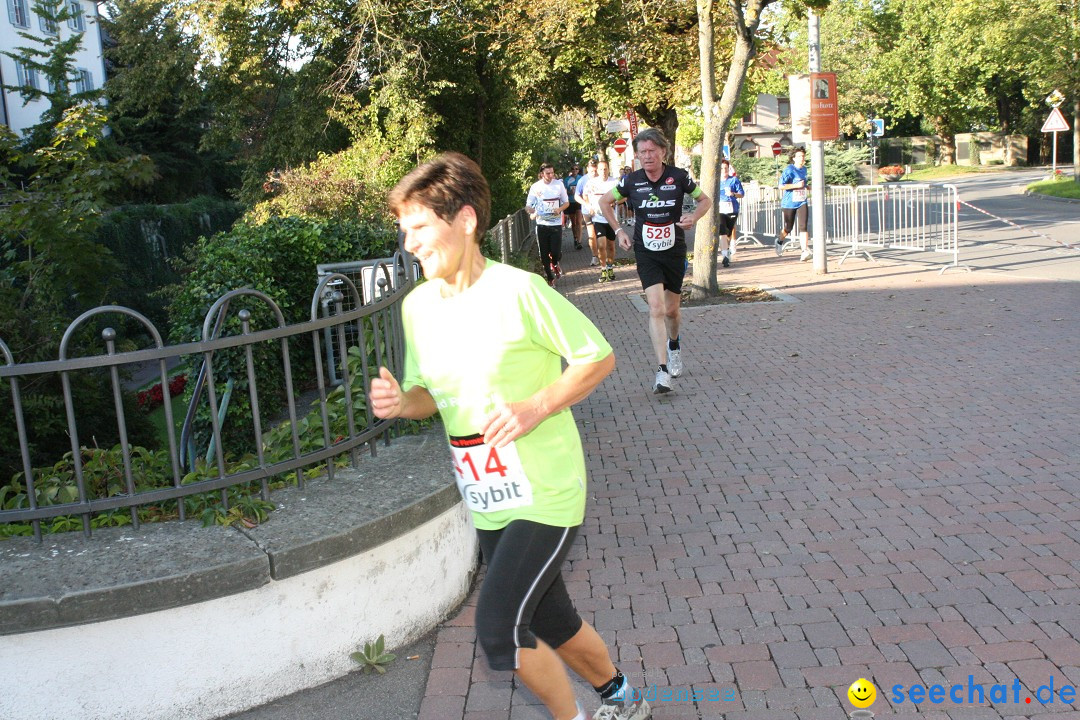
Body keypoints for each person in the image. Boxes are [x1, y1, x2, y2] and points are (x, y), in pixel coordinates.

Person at [372, 152, 651, 720]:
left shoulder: (518, 291)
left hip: (546, 490)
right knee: (552, 620)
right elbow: (429, 395)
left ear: (466, 221)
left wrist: (537, 405)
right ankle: (624, 699)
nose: (410, 243)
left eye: (421, 226)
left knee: (499, 625)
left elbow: (597, 357)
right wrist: (404, 403)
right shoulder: (417, 308)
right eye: (405, 231)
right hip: (487, 496)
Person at [598, 128, 711, 394]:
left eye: (651, 151)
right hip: (646, 252)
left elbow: (705, 200)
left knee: (672, 311)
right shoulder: (631, 181)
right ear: (637, 156)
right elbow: (604, 203)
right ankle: (662, 372)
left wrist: (693, 217)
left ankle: (674, 345)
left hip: (673, 251)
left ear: (663, 152)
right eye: (642, 153)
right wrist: (618, 230)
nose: (647, 157)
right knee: (656, 308)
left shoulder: (679, 177)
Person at [527, 163, 569, 285]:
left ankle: (555, 263)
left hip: (555, 224)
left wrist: (559, 209)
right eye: (548, 173)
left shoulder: (558, 185)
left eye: (552, 173)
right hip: (542, 224)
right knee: (544, 254)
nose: (551, 176)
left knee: (555, 252)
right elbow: (528, 205)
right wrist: (532, 211)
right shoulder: (535, 187)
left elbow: (566, 203)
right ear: (541, 174)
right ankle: (550, 279)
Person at [581, 158, 619, 282]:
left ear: (609, 170)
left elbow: (623, 196)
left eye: (605, 169)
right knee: (601, 245)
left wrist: (615, 201)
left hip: (611, 219)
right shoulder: (592, 183)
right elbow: (585, 195)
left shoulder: (614, 182)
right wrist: (589, 206)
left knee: (611, 246)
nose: (603, 172)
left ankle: (610, 267)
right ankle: (603, 270)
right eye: (601, 169)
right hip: (598, 219)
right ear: (597, 170)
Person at [776, 148, 811, 262]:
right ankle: (779, 241)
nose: (802, 158)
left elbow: (803, 183)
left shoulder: (804, 169)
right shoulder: (789, 169)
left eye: (803, 156)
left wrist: (806, 186)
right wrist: (795, 186)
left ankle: (804, 251)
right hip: (789, 203)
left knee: (803, 226)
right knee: (788, 228)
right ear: (794, 158)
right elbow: (781, 186)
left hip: (802, 201)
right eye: (799, 156)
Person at [716, 158, 744, 268]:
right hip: (720, 209)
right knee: (722, 231)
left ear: (728, 169)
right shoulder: (715, 181)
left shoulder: (734, 180)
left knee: (728, 232)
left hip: (732, 209)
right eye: (722, 168)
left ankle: (727, 250)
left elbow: (741, 194)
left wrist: (733, 194)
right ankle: (725, 256)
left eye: (726, 168)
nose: (724, 170)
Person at [575, 160, 601, 267]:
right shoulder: (582, 180)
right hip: (588, 211)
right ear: (588, 169)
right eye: (591, 171)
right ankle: (595, 256)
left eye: (595, 171)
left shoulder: (602, 178)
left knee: (601, 234)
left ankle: (603, 254)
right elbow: (577, 196)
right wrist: (586, 204)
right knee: (592, 234)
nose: (594, 173)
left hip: (601, 211)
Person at [563, 164, 585, 250]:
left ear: (578, 170)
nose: (575, 170)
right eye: (573, 169)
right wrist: (570, 192)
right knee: (574, 222)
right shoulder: (567, 180)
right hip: (571, 201)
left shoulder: (581, 178)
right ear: (571, 170)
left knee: (579, 221)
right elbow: (564, 192)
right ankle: (575, 238)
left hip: (579, 201)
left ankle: (579, 241)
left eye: (576, 169)